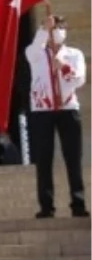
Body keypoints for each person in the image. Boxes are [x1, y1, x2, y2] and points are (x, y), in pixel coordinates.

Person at [24, 15, 88, 218]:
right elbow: (34, 48)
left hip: (68, 108)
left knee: (73, 158)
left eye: (61, 26)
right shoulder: (35, 53)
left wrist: (64, 67)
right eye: (54, 26)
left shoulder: (74, 54)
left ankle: (78, 204)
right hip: (42, 111)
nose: (58, 30)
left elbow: (79, 80)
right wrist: (44, 29)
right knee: (44, 159)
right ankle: (46, 206)